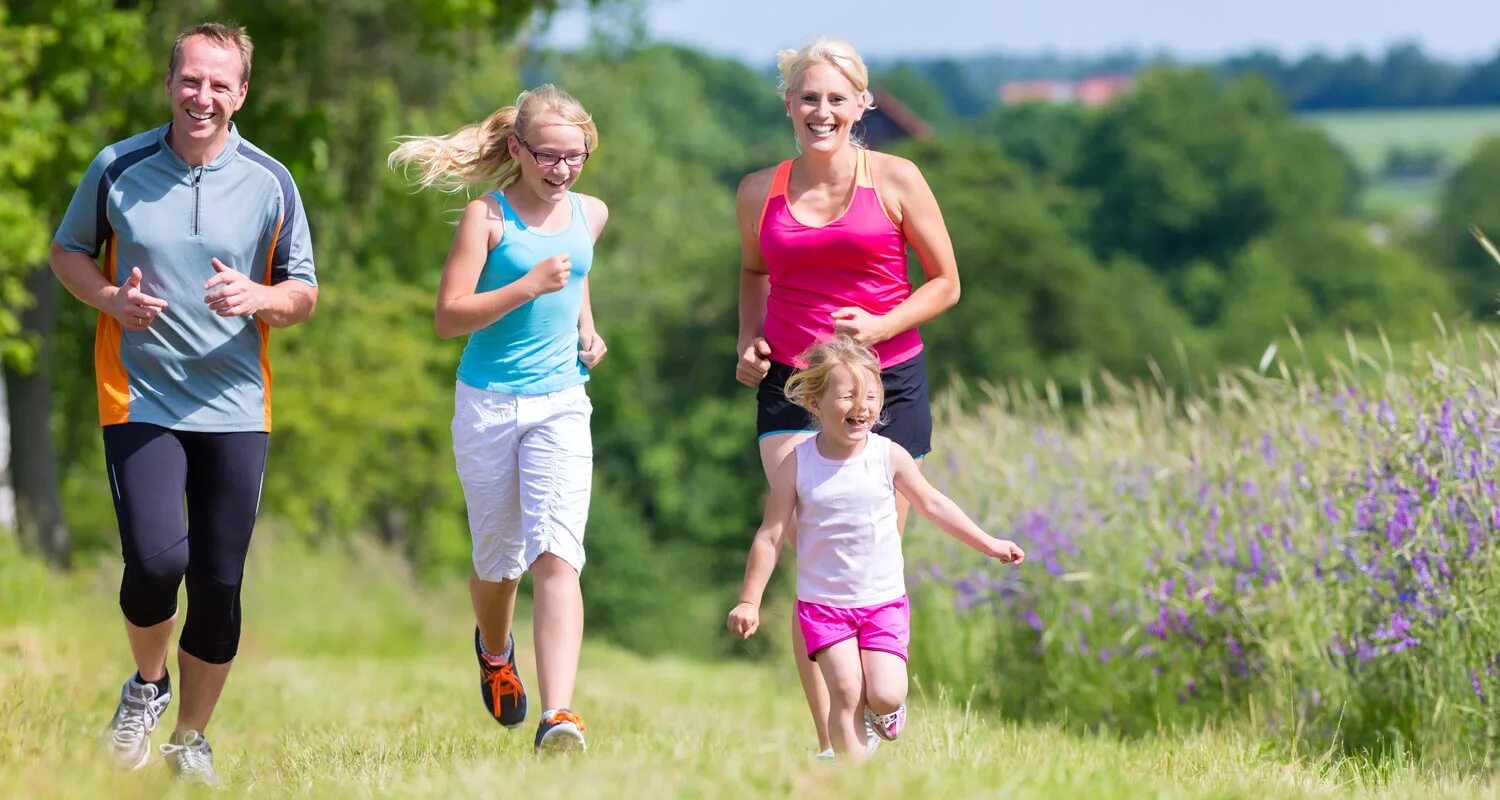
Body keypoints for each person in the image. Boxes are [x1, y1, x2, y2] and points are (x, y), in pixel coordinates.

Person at [49, 22, 318, 785]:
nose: (203, 96)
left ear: (241, 94)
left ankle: (189, 738)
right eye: (190, 80)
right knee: (157, 561)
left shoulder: (271, 181)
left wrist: (260, 296)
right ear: (170, 84)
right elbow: (66, 251)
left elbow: (304, 292)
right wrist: (109, 298)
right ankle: (147, 686)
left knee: (221, 580)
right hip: (140, 394)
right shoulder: (118, 166)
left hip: (236, 403)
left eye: (218, 84)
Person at [734, 36, 962, 757]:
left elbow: (946, 283)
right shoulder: (758, 191)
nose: (822, 111)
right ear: (790, 106)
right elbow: (752, 272)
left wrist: (882, 324)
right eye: (809, 98)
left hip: (886, 384)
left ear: (861, 105)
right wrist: (748, 341)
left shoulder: (896, 178)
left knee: (869, 554)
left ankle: (878, 702)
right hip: (793, 387)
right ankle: (835, 740)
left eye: (837, 99)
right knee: (816, 564)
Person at [388, 84, 608, 755]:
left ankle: (559, 716)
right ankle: (493, 650)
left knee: (557, 554)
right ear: (517, 148)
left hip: (562, 402)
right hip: (488, 402)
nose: (562, 169)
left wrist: (587, 329)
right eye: (548, 155)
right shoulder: (488, 217)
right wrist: (524, 288)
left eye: (575, 157)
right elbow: (448, 316)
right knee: (499, 561)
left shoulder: (590, 213)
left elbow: (574, 276)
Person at [726, 337, 1023, 759]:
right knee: (846, 693)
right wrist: (749, 601)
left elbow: (934, 504)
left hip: (882, 602)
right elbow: (770, 535)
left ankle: (883, 712)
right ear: (814, 401)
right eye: (847, 396)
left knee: (884, 693)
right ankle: (853, 777)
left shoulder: (889, 455)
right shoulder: (798, 464)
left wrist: (990, 544)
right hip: (824, 606)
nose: (862, 406)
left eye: (870, 396)